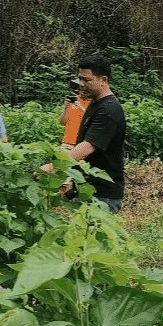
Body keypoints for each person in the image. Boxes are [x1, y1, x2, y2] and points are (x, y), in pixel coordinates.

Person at [43, 55, 126, 212]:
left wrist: (53, 167)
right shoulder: (96, 103)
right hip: (88, 188)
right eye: (80, 78)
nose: (81, 84)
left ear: (103, 80)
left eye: (86, 80)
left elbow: (88, 147)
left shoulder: (108, 109)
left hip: (102, 195)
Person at [59, 78, 90, 150]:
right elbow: (62, 123)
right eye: (80, 88)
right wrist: (65, 108)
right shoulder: (73, 100)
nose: (82, 91)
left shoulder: (93, 102)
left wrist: (81, 107)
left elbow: (91, 119)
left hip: (83, 144)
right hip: (67, 142)